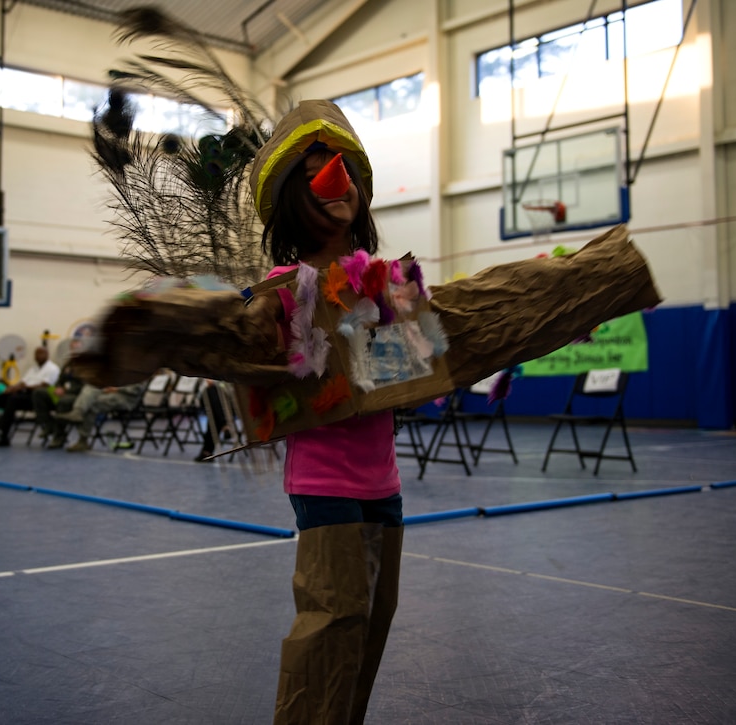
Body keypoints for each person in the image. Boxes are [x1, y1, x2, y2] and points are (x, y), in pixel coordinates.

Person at [246, 100, 404, 724]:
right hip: (325, 484)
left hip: (384, 484)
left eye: (339, 168)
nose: (332, 180)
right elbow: (255, 366)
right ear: (292, 199)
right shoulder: (281, 290)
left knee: (370, 628)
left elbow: (414, 370)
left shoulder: (384, 281)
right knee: (331, 626)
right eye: (314, 171)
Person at [0, 346, 60, 447]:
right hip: (23, 394)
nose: (38, 356)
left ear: (47, 355)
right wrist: (12, 388)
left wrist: (23, 388)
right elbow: (23, 382)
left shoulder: (53, 368)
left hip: (36, 398)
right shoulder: (33, 369)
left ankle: (3, 436)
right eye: (36, 354)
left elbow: (44, 386)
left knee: (12, 400)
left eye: (41, 353)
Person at [53, 381, 146, 452]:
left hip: (126, 397)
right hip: (111, 391)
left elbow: (137, 389)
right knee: (92, 385)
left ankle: (83, 440)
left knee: (94, 404)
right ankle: (78, 411)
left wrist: (117, 388)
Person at [30, 361, 84, 449]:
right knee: (38, 393)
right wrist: (58, 387)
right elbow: (60, 380)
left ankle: (59, 436)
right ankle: (48, 424)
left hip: (77, 395)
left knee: (63, 401)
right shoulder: (68, 364)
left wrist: (65, 390)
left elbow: (85, 385)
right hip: (62, 392)